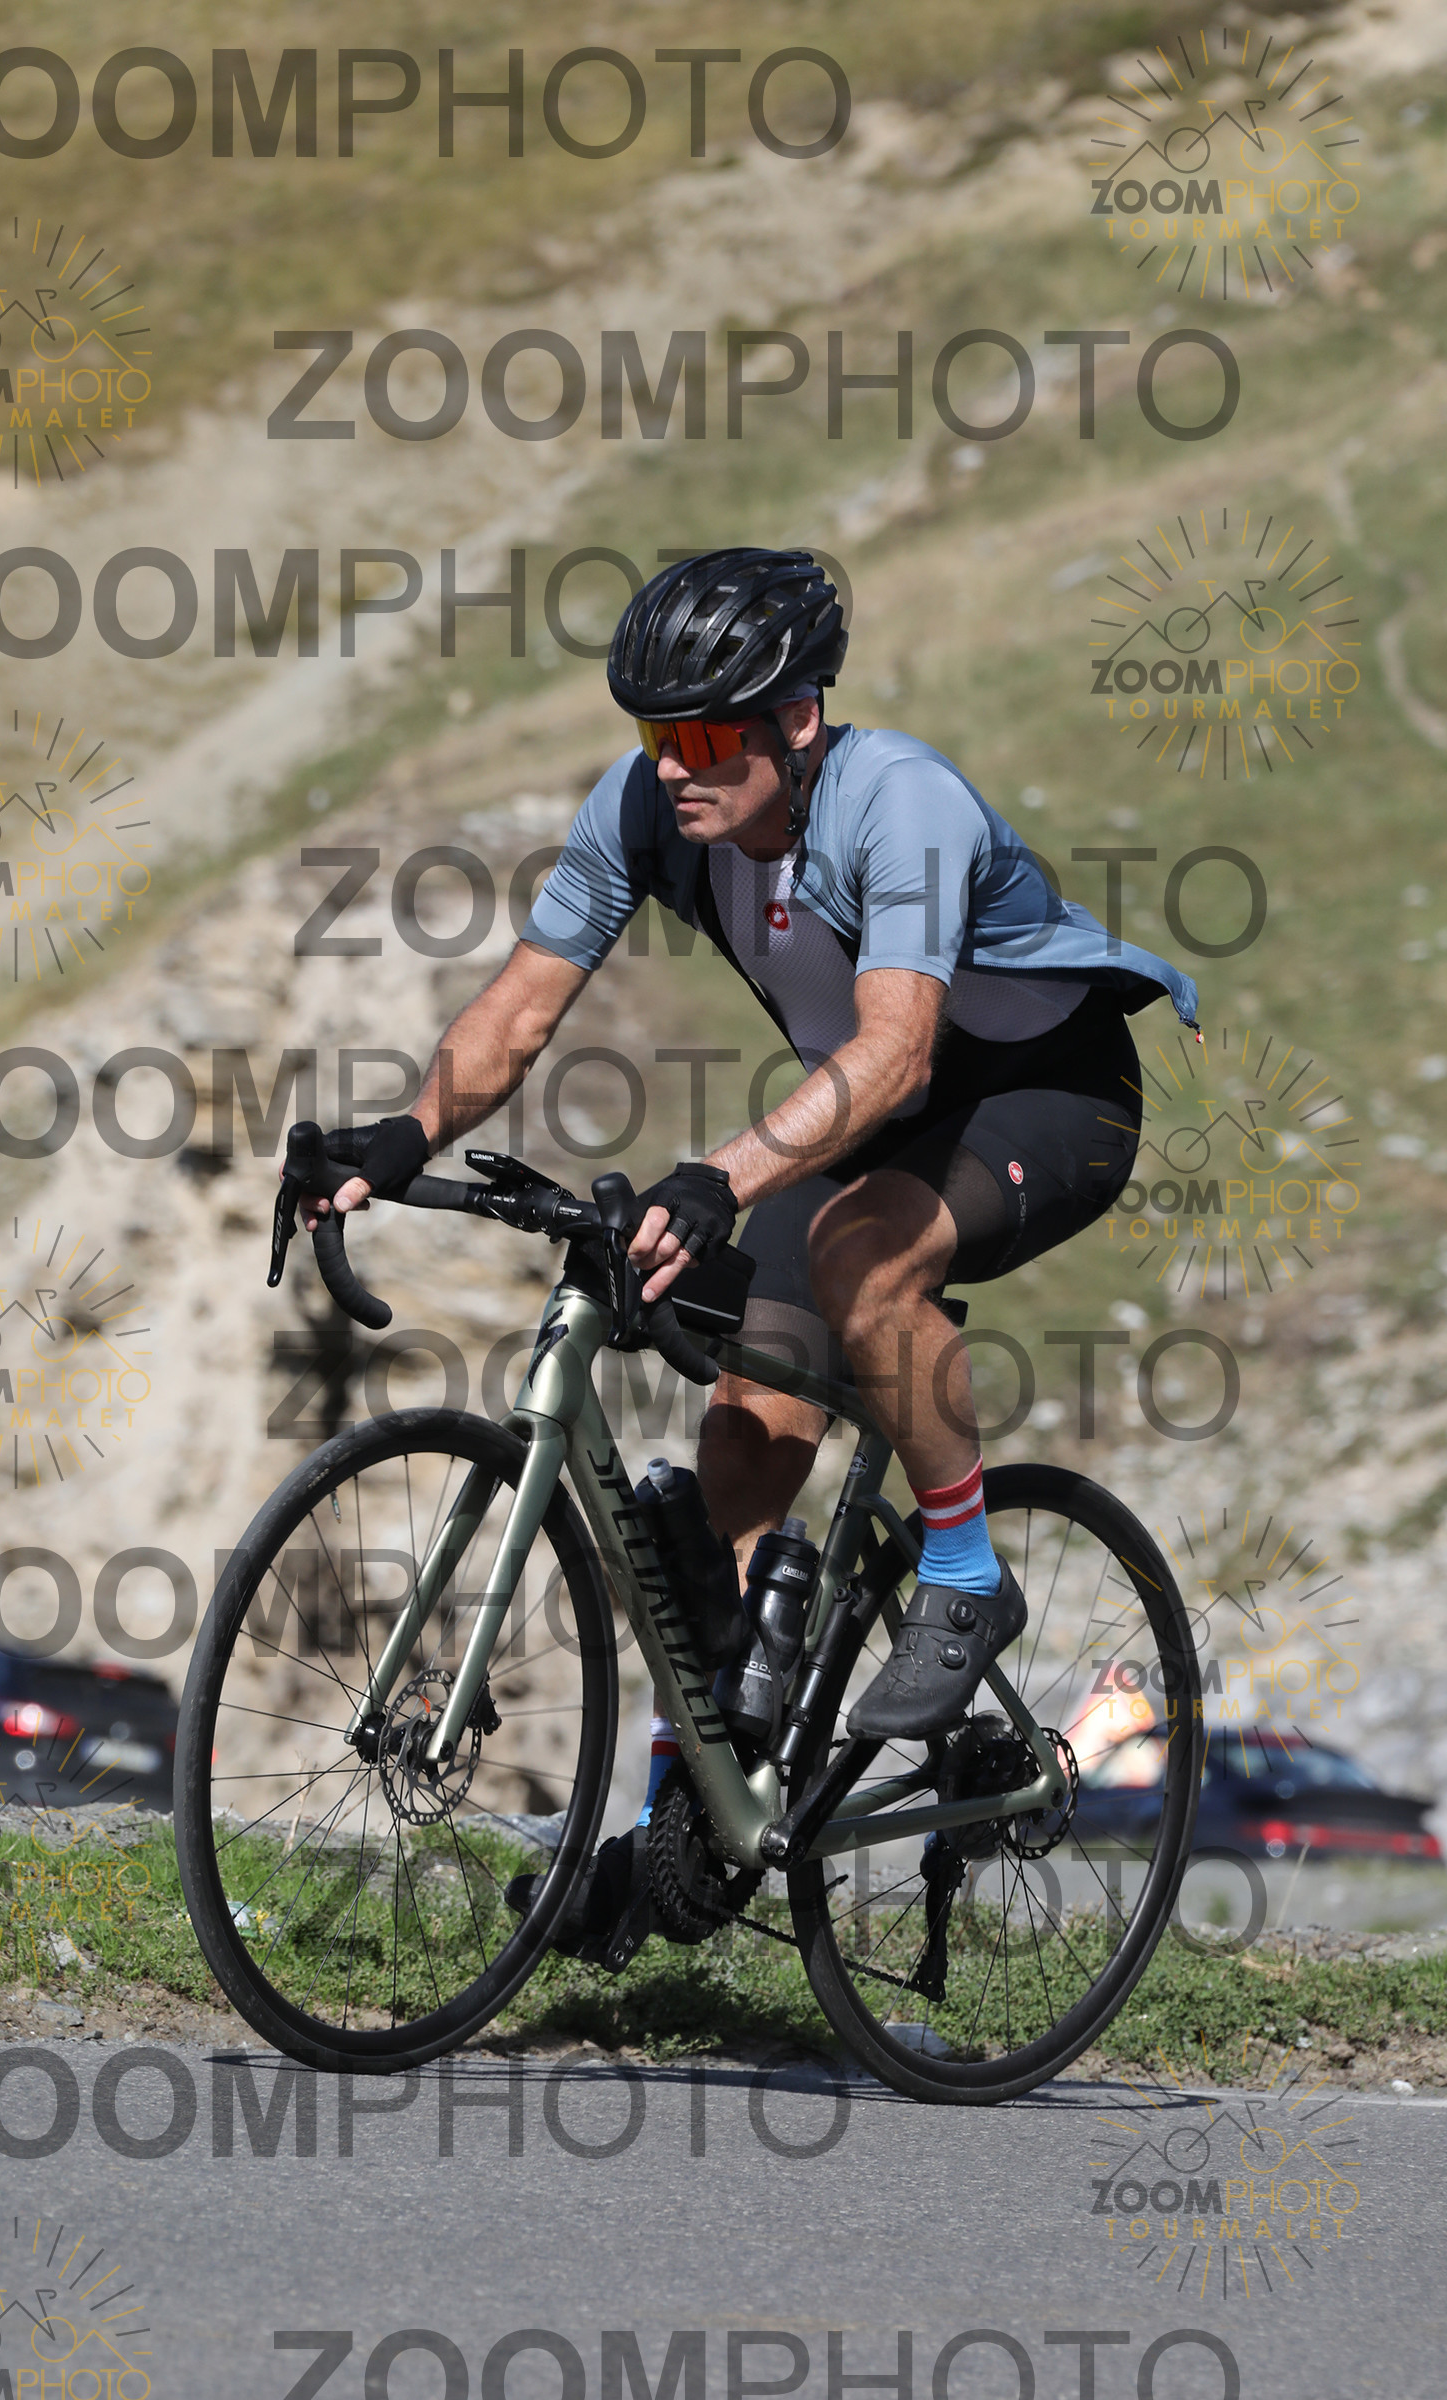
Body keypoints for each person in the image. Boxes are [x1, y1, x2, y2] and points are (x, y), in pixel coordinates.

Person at [302, 548, 1197, 1828]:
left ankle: (961, 1570)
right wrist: (404, 1134)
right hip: (865, 1111)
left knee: (860, 1255)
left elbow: (897, 1055)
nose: (673, 764)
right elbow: (519, 1010)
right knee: (739, 1434)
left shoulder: (901, 802)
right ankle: (688, 1819)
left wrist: (720, 1176)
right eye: (655, 733)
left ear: (797, 719)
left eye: (706, 736)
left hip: (1047, 1098)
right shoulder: (642, 808)